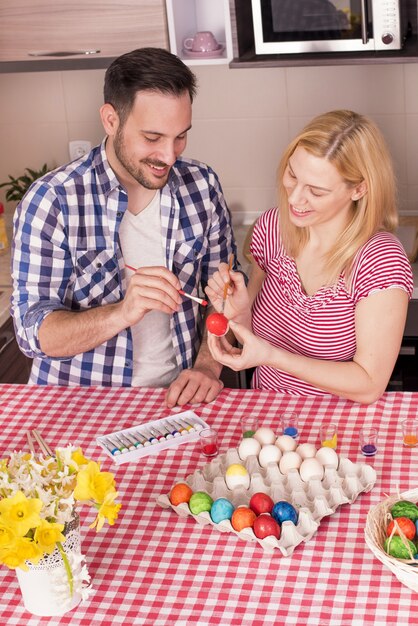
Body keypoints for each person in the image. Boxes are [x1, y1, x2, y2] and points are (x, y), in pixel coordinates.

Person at [11, 47, 239, 407]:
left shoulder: (202, 185)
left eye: (180, 135)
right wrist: (122, 311)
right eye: (152, 138)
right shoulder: (53, 200)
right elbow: (32, 334)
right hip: (81, 408)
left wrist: (208, 365)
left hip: (178, 401)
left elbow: (223, 291)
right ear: (111, 120)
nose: (169, 155)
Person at [205, 110, 413, 405]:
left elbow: (369, 384)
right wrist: (238, 312)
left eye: (316, 191)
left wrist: (272, 356)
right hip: (267, 414)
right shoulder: (272, 229)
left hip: (337, 426)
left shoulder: (378, 260)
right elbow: (252, 339)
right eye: (292, 175)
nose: (294, 198)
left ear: (358, 189)